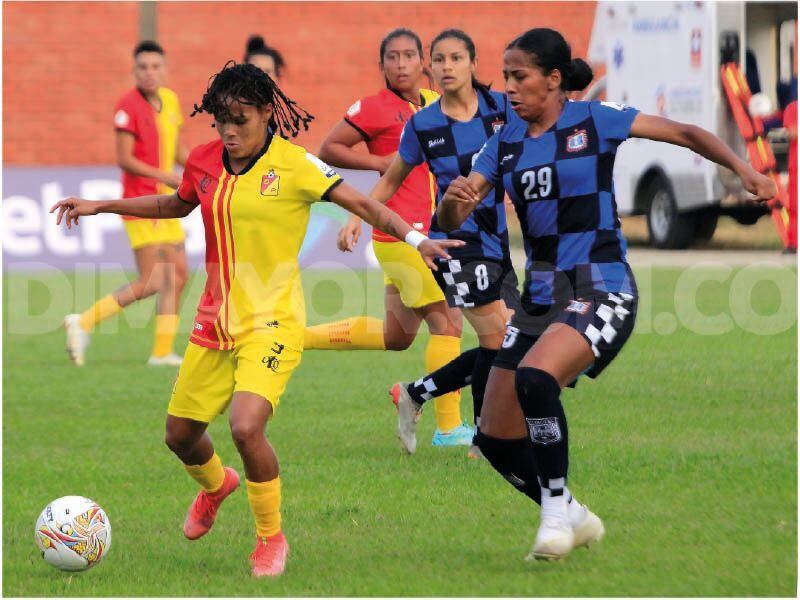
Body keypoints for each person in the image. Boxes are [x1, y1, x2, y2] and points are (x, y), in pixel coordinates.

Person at [50, 61, 460, 578]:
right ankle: (217, 486)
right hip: (215, 321)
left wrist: (418, 240)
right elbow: (175, 205)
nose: (229, 131)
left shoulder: (295, 165)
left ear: (268, 113)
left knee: (246, 426)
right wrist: (101, 205)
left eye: (240, 119)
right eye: (221, 120)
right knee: (180, 435)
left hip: (274, 320)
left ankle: (270, 539)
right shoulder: (204, 161)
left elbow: (364, 204)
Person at [440, 28, 776, 562]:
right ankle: (573, 514)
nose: (508, 88)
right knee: (494, 437)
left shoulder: (595, 120)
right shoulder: (502, 141)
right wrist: (453, 205)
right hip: (542, 296)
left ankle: (553, 513)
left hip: (603, 285)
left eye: (519, 76)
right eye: (505, 77)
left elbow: (686, 133)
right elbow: (452, 213)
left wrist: (745, 170)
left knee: (535, 378)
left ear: (553, 80)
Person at [304, 28, 474, 447]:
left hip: (420, 234)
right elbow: (329, 148)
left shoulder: (435, 104)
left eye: (408, 56)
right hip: (403, 236)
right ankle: (450, 429)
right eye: (392, 58)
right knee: (449, 323)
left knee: (396, 337)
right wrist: (379, 161)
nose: (400, 64)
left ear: (424, 63)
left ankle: (296, 336)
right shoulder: (375, 108)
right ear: (381, 66)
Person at [355, 29, 520, 457]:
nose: (447, 67)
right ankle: (485, 438)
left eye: (455, 59)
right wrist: (358, 217)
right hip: (455, 243)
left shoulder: (502, 108)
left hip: (497, 238)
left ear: (473, 63)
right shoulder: (424, 124)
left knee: (510, 339)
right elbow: (391, 179)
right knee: (497, 337)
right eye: (440, 60)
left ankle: (417, 393)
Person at [64, 41, 189, 367]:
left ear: (165, 68)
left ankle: (162, 352)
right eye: (143, 67)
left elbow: (176, 150)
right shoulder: (127, 107)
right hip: (140, 204)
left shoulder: (172, 101)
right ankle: (84, 321)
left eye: (155, 66)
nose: (149, 72)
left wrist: (200, 169)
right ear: (134, 70)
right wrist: (167, 175)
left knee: (178, 276)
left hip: (169, 202)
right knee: (153, 280)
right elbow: (125, 159)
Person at [783, 99, 797, 252]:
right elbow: (792, 133)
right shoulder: (793, 108)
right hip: (796, 167)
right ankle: (794, 243)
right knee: (794, 206)